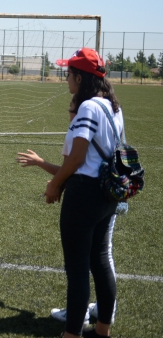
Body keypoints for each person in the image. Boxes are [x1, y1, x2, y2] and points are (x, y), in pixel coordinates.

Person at [16, 96, 125, 327]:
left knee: (81, 264)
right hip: (109, 192)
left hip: (87, 197)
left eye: (71, 110)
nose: (69, 114)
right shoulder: (112, 112)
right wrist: (43, 165)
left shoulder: (80, 127)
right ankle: (104, 314)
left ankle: (79, 318)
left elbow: (74, 166)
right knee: (102, 257)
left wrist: (54, 185)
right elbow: (69, 169)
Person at [42, 48, 123, 338]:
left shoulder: (88, 107)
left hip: (84, 193)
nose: (66, 80)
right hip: (107, 193)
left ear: (79, 77)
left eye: (68, 74)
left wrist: (54, 185)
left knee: (77, 269)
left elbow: (76, 158)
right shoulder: (114, 107)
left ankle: (72, 333)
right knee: (100, 262)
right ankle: (102, 330)